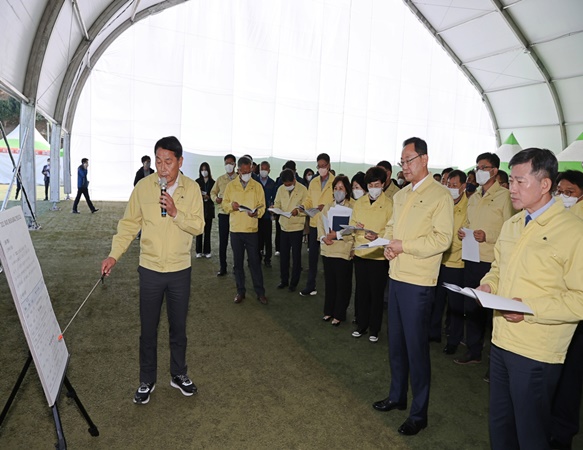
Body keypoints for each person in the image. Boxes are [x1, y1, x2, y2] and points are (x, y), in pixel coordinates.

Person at [478, 148, 583, 449]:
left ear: (545, 184)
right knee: (500, 426)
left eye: (520, 182)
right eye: (510, 180)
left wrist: (529, 309)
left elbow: (580, 299)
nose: (512, 188)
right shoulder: (513, 224)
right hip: (501, 342)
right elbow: (497, 268)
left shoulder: (573, 232)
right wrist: (487, 286)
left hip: (537, 351)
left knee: (531, 434)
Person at [101, 136, 205, 405]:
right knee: (148, 329)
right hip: (149, 269)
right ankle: (147, 379)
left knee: (178, 327)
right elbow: (128, 226)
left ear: (180, 162)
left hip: (180, 269)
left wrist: (175, 212)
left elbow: (198, 226)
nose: (162, 167)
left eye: (168, 161)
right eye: (158, 161)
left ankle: (178, 374)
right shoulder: (143, 188)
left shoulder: (191, 189)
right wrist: (114, 256)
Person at [373, 137, 453, 436]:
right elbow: (392, 228)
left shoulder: (440, 195)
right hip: (396, 276)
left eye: (408, 160)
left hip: (418, 282)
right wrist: (389, 246)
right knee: (396, 343)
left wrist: (403, 246)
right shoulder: (402, 195)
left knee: (416, 349)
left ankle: (419, 413)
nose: (404, 166)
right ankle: (397, 396)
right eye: (401, 161)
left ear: (424, 159)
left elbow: (442, 239)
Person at [455, 152, 515, 365]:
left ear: (494, 171)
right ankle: (473, 350)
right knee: (471, 306)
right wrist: (466, 232)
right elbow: (469, 222)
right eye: (477, 167)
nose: (479, 171)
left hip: (492, 262)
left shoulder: (505, 197)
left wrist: (487, 236)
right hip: (471, 257)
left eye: (484, 167)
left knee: (492, 311)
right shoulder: (475, 196)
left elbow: (512, 232)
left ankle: (495, 358)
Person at [350, 166, 392, 342]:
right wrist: (356, 229)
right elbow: (351, 226)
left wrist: (378, 237)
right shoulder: (359, 203)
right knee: (361, 292)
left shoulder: (390, 204)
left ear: (383, 184)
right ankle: (361, 325)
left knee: (376, 295)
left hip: (378, 256)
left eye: (377, 184)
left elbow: (391, 231)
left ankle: (374, 329)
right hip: (361, 254)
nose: (373, 187)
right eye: (370, 184)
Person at [431, 170, 468, 354]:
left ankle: (453, 339)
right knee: (436, 299)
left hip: (457, 262)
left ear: (463, 186)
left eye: (454, 185)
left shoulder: (469, 206)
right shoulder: (443, 202)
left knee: (455, 304)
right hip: (439, 259)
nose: (450, 188)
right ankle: (433, 332)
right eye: (448, 184)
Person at [222, 156, 267, 305]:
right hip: (236, 230)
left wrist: (257, 213)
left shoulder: (257, 186)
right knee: (238, 263)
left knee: (255, 262)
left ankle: (260, 292)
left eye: (250, 171)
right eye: (244, 171)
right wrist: (231, 207)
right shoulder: (230, 186)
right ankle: (240, 291)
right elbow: (224, 205)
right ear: (239, 170)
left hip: (251, 230)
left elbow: (262, 206)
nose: (247, 174)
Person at [318, 175, 354, 326]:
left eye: (341, 188)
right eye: (335, 188)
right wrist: (323, 238)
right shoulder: (328, 207)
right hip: (329, 249)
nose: (338, 191)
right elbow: (320, 224)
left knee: (342, 284)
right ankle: (328, 311)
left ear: (347, 191)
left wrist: (338, 236)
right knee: (330, 283)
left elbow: (353, 230)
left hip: (343, 251)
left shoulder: (352, 208)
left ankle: (339, 314)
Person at [300, 153, 335, 297]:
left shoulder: (335, 181)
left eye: (323, 166)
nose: (321, 168)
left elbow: (338, 201)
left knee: (329, 257)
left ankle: (331, 287)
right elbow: (309, 199)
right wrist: (304, 206)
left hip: (328, 224)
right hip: (314, 222)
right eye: (319, 166)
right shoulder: (313, 182)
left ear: (329, 165)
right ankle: (310, 285)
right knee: (312, 257)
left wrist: (325, 207)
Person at [273, 169, 308, 292]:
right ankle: (284, 280)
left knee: (296, 256)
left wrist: (297, 211)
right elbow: (277, 203)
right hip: (284, 226)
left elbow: (306, 208)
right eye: (285, 184)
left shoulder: (303, 190)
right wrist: (275, 209)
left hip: (297, 227)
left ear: (294, 180)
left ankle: (294, 282)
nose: (287, 186)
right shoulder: (281, 189)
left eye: (289, 184)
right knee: (284, 256)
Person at [210, 154, 238, 276]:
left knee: (236, 243)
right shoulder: (220, 179)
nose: (228, 166)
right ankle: (223, 267)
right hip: (223, 214)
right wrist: (215, 199)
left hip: (236, 214)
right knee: (223, 241)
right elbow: (212, 192)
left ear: (235, 165)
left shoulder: (239, 179)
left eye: (231, 163)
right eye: (226, 163)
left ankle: (237, 267)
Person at [257, 161, 276, 267]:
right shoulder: (255, 181)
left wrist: (272, 207)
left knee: (267, 238)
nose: (263, 170)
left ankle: (267, 259)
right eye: (261, 168)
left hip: (267, 215)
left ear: (269, 170)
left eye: (265, 169)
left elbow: (274, 198)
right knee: (257, 238)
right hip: (257, 215)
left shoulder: (272, 183)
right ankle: (257, 257)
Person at [195, 162, 215, 258]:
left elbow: (215, 195)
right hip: (199, 209)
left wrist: (209, 197)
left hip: (209, 210)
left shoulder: (213, 182)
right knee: (199, 230)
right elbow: (194, 195)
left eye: (205, 169)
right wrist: (201, 196)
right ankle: (198, 251)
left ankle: (207, 251)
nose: (204, 171)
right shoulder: (197, 182)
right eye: (202, 169)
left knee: (208, 231)